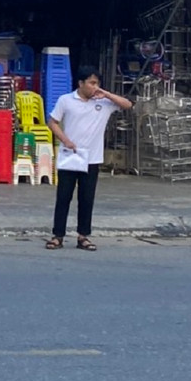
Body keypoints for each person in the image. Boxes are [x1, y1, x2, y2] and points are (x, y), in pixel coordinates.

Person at [46, 66, 132, 251]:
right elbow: (52, 122)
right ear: (81, 83)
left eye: (97, 83)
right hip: (70, 156)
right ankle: (57, 235)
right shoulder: (66, 100)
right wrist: (65, 140)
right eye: (91, 83)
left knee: (86, 198)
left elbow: (127, 105)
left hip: (92, 158)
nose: (95, 87)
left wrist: (106, 94)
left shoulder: (104, 103)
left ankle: (83, 236)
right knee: (63, 197)